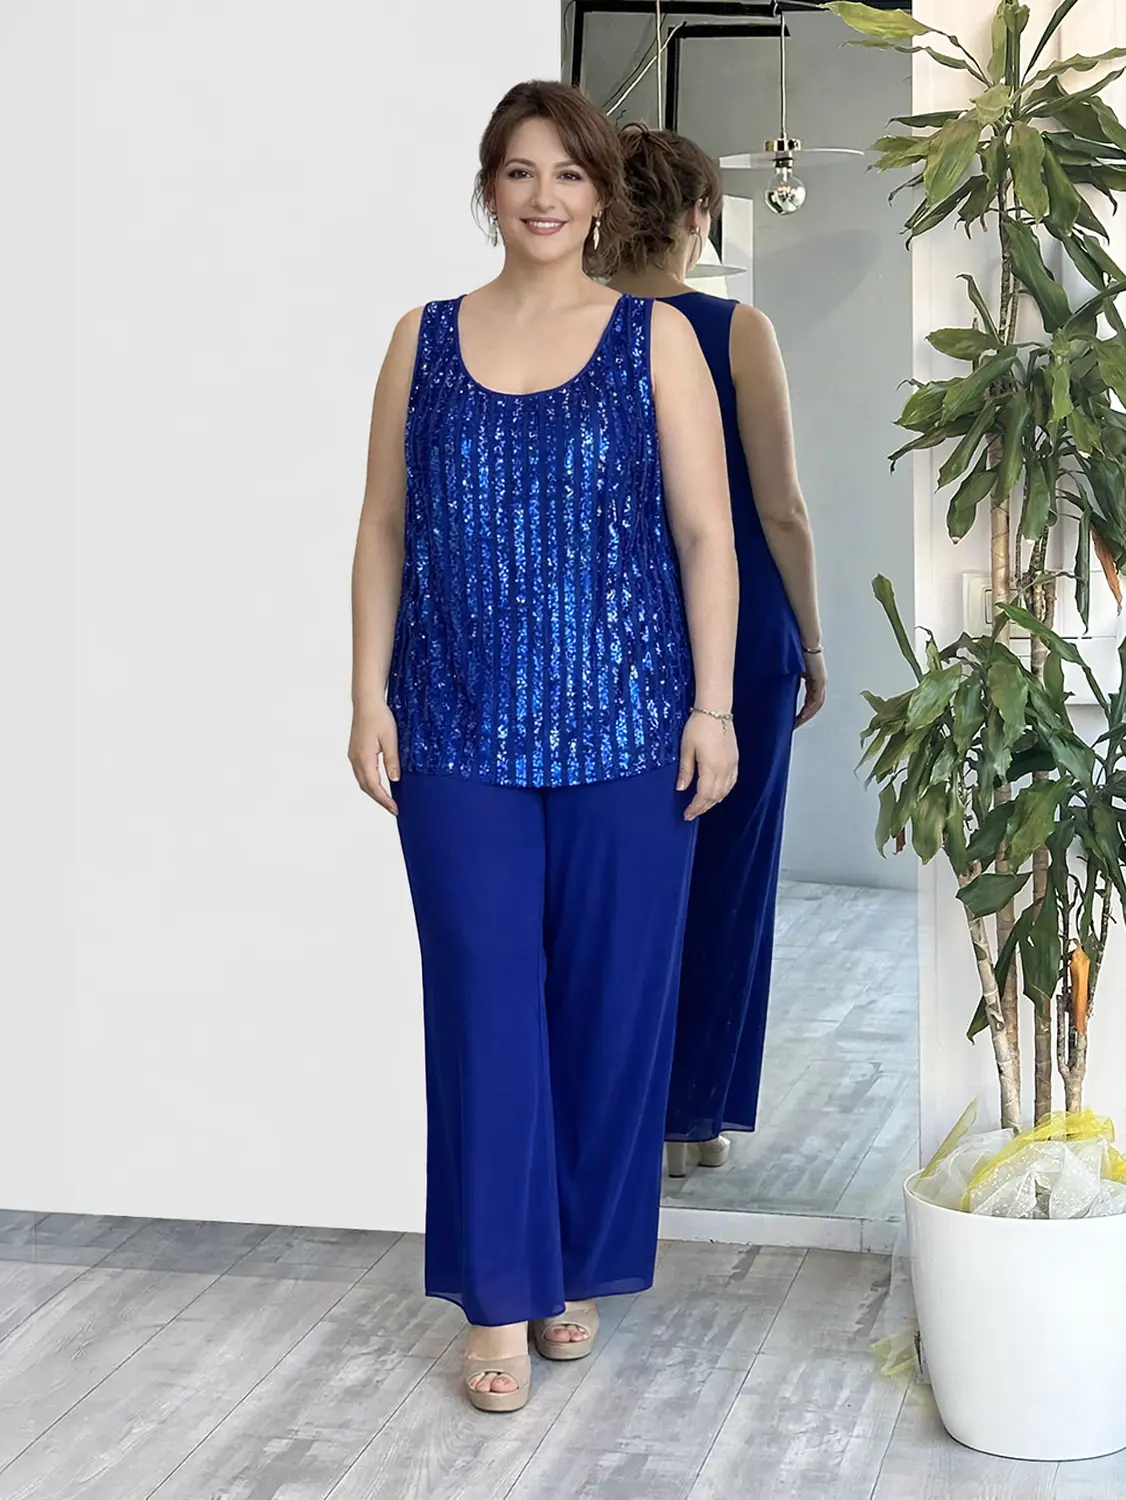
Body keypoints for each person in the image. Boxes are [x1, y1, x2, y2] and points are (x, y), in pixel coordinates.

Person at [348, 83, 739, 1413]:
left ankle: (572, 1261)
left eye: (568, 174)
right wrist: (366, 694)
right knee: (482, 1005)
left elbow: (705, 534)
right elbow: (381, 527)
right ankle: (499, 1297)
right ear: (488, 188)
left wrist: (712, 707)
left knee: (607, 1013)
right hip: (454, 727)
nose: (543, 197)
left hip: (630, 729)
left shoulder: (656, 340)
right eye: (519, 173)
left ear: (600, 195)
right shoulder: (422, 339)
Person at [609, 123, 826, 1174]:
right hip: (742, 639)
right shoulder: (735, 330)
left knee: (618, 886)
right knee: (728, 877)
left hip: (615, 642)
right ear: (699, 217)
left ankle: (618, 1113)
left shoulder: (569, 329)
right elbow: (779, 508)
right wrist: (812, 642)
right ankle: (690, 1123)